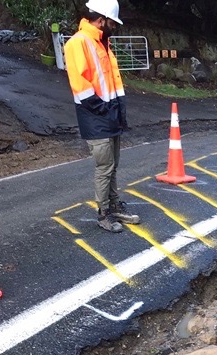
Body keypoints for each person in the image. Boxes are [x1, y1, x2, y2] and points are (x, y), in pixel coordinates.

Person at [64, 0, 140, 233]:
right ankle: (103, 213)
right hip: (96, 115)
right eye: (112, 23)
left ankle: (114, 205)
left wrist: (116, 111)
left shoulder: (102, 43)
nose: (114, 27)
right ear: (101, 20)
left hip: (110, 113)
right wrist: (103, 109)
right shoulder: (79, 42)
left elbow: (110, 82)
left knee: (113, 165)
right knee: (105, 166)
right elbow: (81, 84)